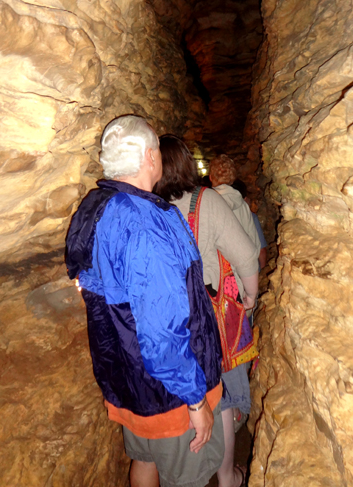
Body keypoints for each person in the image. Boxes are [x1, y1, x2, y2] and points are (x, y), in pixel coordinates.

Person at [65, 116, 224, 487]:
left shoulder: (97, 207)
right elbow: (162, 330)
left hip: (127, 381)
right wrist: (196, 401)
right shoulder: (145, 224)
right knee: (188, 476)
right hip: (168, 394)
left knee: (144, 460)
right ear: (150, 157)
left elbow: (91, 283)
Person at [154, 135, 260, 487]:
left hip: (164, 322)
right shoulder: (205, 201)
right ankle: (226, 477)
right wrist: (250, 296)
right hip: (209, 318)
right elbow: (245, 255)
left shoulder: (146, 206)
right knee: (223, 395)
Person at [232, 179, 267, 270]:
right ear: (245, 199)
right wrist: (262, 270)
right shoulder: (250, 217)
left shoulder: (222, 216)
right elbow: (261, 249)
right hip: (250, 270)